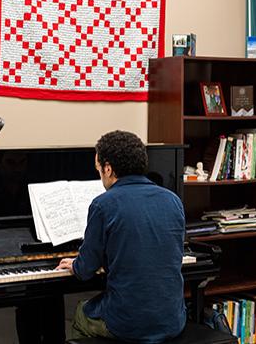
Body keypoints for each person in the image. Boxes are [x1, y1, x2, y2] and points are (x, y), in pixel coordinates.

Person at [57, 130, 186, 343]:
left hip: (127, 323)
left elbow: (85, 269)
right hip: (173, 319)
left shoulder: (103, 204)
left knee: (80, 313)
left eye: (99, 170)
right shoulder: (173, 200)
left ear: (108, 168)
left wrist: (75, 264)